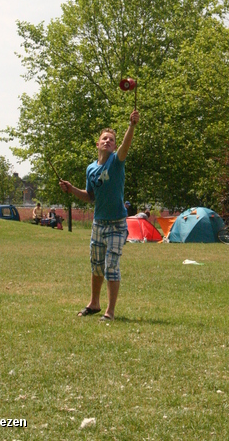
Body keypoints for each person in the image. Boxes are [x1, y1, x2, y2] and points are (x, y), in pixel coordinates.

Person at [59, 109, 139, 322]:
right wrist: (71, 189)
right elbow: (90, 196)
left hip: (116, 224)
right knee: (96, 266)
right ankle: (94, 303)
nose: (108, 142)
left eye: (111, 140)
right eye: (104, 139)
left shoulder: (117, 161)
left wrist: (131, 126)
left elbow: (126, 146)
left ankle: (110, 312)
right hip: (98, 224)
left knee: (111, 265)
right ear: (97, 144)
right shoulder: (91, 169)